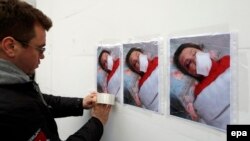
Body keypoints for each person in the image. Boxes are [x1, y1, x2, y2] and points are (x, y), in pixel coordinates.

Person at [0, 0, 111, 140]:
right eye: (40, 49)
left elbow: (40, 101)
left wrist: (80, 103)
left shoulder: (14, 87)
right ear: (10, 47)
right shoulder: (12, 109)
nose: (43, 56)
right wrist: (97, 122)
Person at [173, 43, 230, 130]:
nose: (195, 59)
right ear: (190, 73)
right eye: (188, 64)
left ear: (202, 51)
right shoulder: (198, 95)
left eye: (194, 53)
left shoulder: (229, 60)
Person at [125, 47, 159, 112]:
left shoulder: (158, 60)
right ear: (136, 71)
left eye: (138, 55)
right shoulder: (140, 86)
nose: (138, 60)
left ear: (144, 54)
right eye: (134, 63)